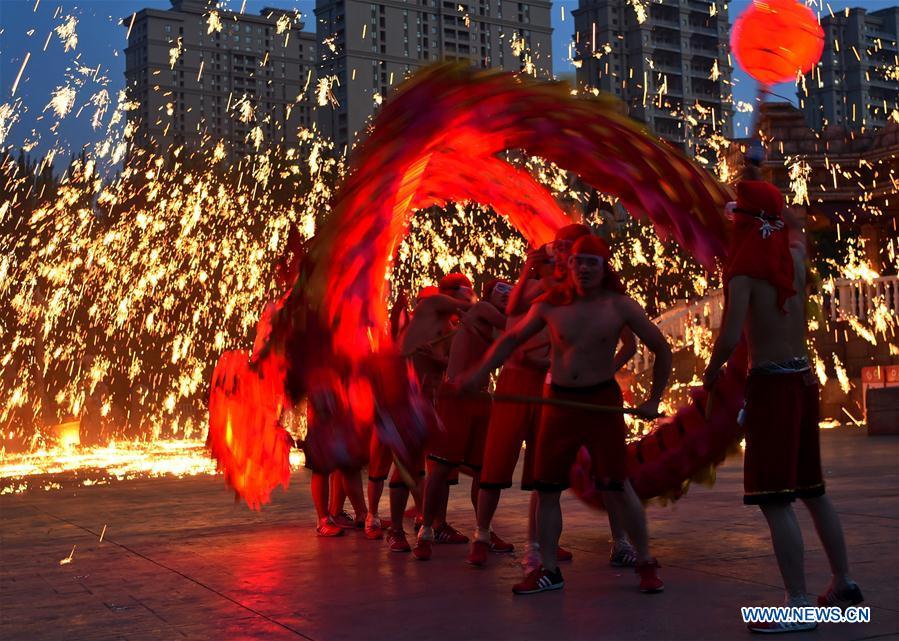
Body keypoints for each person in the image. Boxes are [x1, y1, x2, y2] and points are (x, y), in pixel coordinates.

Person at [460, 234, 671, 594]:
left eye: (592, 262)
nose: (584, 268)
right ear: (568, 266)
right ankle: (549, 570)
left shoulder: (620, 306)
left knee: (618, 486)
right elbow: (510, 339)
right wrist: (481, 371)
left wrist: (653, 399)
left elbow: (661, 349)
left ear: (604, 268)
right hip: (559, 402)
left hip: (601, 402)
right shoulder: (550, 304)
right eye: (578, 261)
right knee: (546, 489)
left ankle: (645, 560)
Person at [703, 157, 862, 633]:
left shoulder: (744, 272)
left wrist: (710, 376)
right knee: (813, 491)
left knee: (776, 499)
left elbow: (731, 337)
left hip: (772, 383)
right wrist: (765, 203)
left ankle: (797, 605)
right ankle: (844, 584)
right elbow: (791, 224)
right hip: (804, 379)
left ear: (743, 222)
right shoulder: (794, 256)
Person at [506, 225, 641, 568]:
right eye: (561, 247)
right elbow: (514, 308)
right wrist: (527, 269)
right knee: (545, 478)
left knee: (612, 476)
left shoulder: (607, 294)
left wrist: (607, 369)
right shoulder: (551, 284)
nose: (564, 254)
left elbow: (632, 341)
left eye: (571, 247)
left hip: (596, 395)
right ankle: (536, 547)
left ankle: (623, 541)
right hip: (557, 392)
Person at [413, 279, 512, 561]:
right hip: (456, 397)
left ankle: (483, 533)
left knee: (484, 471)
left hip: (480, 398)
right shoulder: (482, 309)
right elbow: (515, 328)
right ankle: (427, 532)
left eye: (511, 291)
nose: (507, 296)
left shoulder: (481, 321)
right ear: (488, 295)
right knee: (441, 467)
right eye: (501, 291)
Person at [384, 276, 474, 552]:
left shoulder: (451, 327)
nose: (467, 300)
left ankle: (436, 523)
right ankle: (396, 530)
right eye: (464, 294)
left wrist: (439, 361)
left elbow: (454, 364)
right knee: (405, 468)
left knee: (439, 467)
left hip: (433, 404)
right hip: (408, 401)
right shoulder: (430, 308)